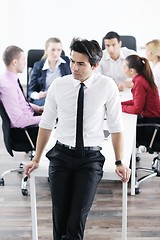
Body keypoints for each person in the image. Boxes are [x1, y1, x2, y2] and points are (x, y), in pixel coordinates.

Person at [25, 38, 131, 240]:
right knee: (60, 219)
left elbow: (116, 127)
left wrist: (119, 161)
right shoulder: (59, 85)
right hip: (60, 155)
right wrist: (36, 158)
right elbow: (46, 124)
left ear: (95, 65)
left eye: (81, 63)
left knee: (76, 221)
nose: (74, 67)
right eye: (72, 61)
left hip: (90, 159)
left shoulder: (106, 86)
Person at [0, 45, 43, 129]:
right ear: (15, 62)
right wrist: (44, 118)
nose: (25, 63)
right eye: (23, 59)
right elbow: (19, 122)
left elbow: (19, 102)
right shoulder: (8, 87)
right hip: (26, 131)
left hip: (30, 117)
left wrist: (36, 108)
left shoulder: (9, 78)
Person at [28, 37, 71, 106]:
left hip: (63, 97)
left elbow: (72, 82)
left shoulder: (66, 62)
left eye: (58, 50)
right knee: (50, 105)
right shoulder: (38, 66)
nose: (56, 53)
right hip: (45, 99)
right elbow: (30, 91)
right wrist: (38, 95)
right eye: (53, 50)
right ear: (46, 50)